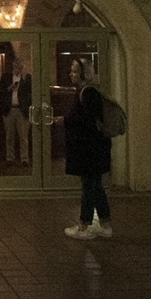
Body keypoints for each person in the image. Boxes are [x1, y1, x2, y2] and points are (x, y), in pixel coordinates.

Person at [63, 57, 113, 239]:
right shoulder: (87, 91)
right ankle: (105, 225)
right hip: (94, 148)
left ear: (84, 74)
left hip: (90, 149)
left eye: (75, 71)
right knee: (96, 186)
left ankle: (84, 226)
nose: (71, 74)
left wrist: (66, 120)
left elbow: (87, 121)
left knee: (88, 187)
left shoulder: (88, 92)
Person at [0, 56, 32, 165]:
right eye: (16, 68)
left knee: (23, 136)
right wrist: (9, 89)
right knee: (9, 136)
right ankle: (10, 157)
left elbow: (30, 92)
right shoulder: (6, 77)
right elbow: (0, 91)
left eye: (20, 68)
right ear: (13, 67)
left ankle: (24, 158)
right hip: (10, 109)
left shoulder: (27, 78)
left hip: (22, 110)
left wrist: (24, 81)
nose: (18, 70)